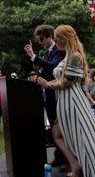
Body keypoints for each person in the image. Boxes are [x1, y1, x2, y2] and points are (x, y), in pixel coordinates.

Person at [37, 25, 95, 177]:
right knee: (56, 133)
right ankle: (75, 164)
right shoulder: (67, 56)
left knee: (82, 137)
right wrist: (46, 83)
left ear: (66, 38)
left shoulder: (75, 56)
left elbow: (66, 82)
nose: (56, 40)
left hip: (73, 102)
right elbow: (60, 79)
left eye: (58, 37)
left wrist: (47, 85)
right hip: (65, 102)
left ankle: (88, 170)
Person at [24, 24, 67, 168]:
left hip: (56, 91)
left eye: (42, 38)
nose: (40, 41)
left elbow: (52, 66)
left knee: (59, 126)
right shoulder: (46, 52)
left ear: (49, 36)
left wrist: (33, 56)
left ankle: (66, 159)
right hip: (47, 92)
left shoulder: (59, 50)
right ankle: (58, 156)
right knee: (53, 124)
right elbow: (45, 69)